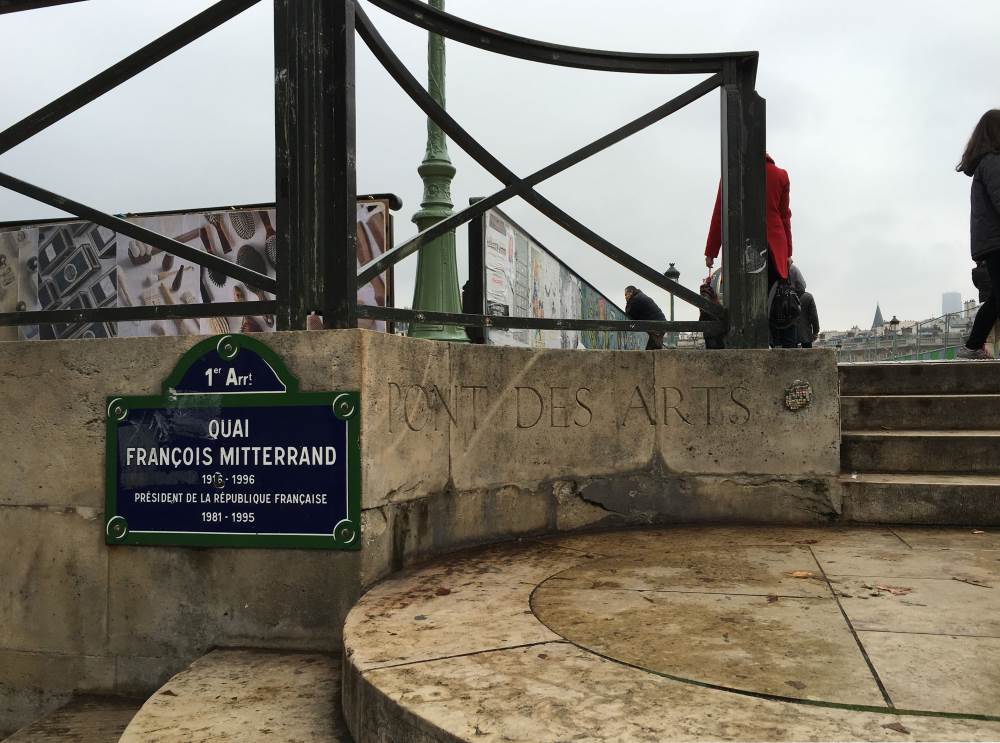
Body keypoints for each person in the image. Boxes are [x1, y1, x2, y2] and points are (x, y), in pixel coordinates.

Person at [704, 153, 794, 346]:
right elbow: (785, 217)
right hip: (773, 247)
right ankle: (764, 342)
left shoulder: (733, 173)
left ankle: (741, 343)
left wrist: (711, 250)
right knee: (764, 302)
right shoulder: (780, 175)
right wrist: (788, 253)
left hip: (741, 244)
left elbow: (719, 212)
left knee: (739, 301)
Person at [957, 109, 1000, 360]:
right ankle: (971, 346)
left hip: (990, 241)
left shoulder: (986, 162)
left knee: (996, 297)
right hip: (996, 241)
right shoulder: (994, 162)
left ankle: (972, 346)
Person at [624, 285, 666, 350]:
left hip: (656, 327)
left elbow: (629, 314)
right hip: (660, 325)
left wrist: (628, 303)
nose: (625, 297)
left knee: (651, 350)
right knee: (655, 348)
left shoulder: (636, 299)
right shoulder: (640, 296)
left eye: (626, 294)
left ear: (631, 292)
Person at [699, 281, 725, 349]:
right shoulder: (715, 301)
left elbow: (703, 314)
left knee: (712, 346)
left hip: (710, 332)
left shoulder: (704, 298)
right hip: (717, 332)